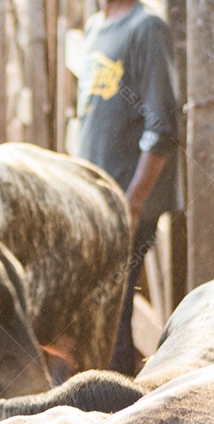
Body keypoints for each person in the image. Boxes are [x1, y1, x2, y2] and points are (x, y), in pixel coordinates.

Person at [77, 0, 180, 374]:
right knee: (103, 314)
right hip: (95, 203)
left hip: (124, 202)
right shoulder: (95, 28)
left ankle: (115, 410)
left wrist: (132, 203)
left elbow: (163, 128)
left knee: (113, 317)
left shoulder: (147, 28)